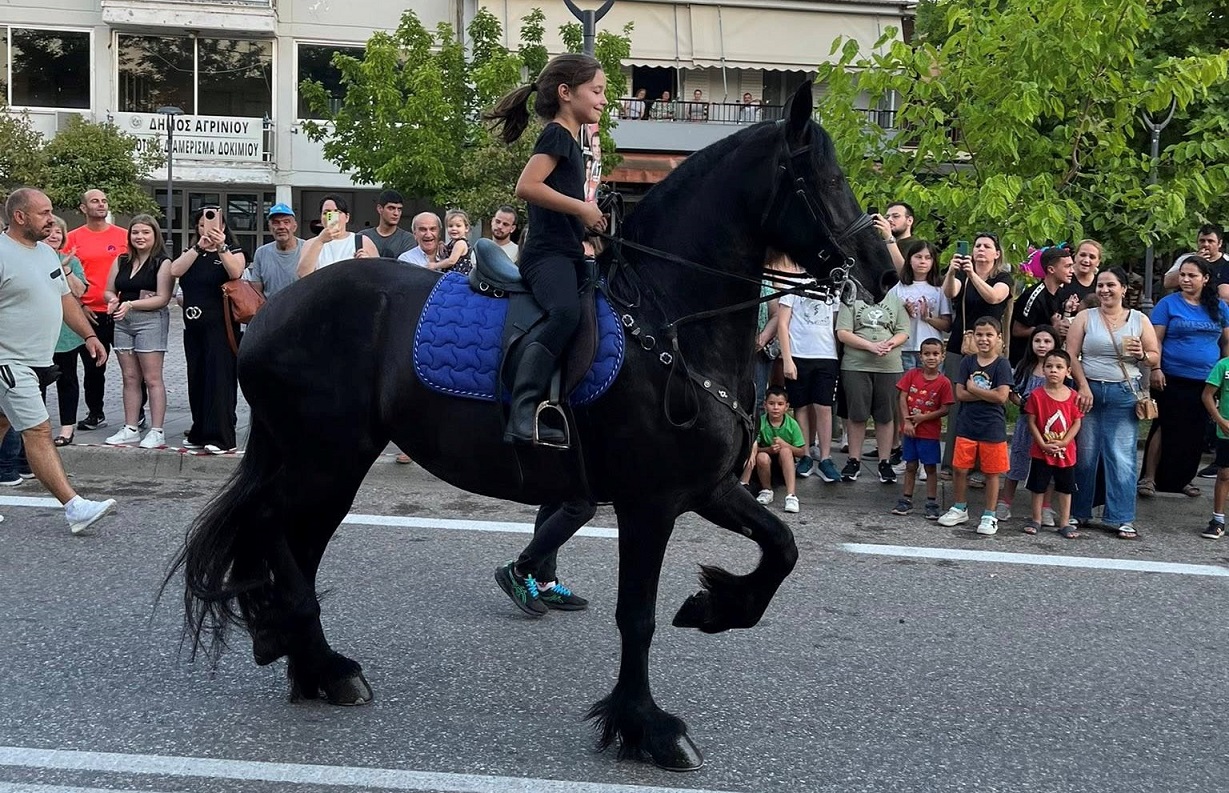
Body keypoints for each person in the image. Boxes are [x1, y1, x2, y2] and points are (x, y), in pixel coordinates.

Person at [483, 52, 607, 447]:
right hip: (546, 255)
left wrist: (590, 227)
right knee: (565, 313)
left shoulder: (572, 139)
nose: (604, 100)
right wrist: (582, 209)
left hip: (567, 251)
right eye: (597, 91)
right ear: (566, 93)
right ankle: (522, 412)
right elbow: (527, 187)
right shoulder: (557, 134)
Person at [0, 187, 116, 533]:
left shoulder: (48, 254)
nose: (51, 220)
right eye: (44, 213)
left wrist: (90, 336)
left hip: (36, 360)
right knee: (38, 429)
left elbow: (65, 299)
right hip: (9, 361)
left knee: (1, 424)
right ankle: (74, 507)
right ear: (20, 216)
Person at [1066, 267, 1160, 539]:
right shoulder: (1085, 317)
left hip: (1123, 392)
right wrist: (1083, 386)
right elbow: (1070, 354)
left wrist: (1142, 355)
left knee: (1122, 457)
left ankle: (1121, 517)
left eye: (1111, 285)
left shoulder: (1139, 319)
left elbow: (1154, 355)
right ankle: (1079, 512)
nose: (1104, 290)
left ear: (1123, 289)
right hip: (1090, 390)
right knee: (1085, 455)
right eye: (1100, 285)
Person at [1137, 256, 1229, 497]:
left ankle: (1182, 479)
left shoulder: (1219, 307)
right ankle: (1149, 477)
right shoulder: (1168, 304)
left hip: (1206, 380)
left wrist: (1224, 375)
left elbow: (1226, 342)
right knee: (1164, 426)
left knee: (1194, 431)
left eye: (1192, 275)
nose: (1185, 279)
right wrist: (1156, 369)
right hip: (1170, 376)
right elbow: (1155, 340)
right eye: (1183, 275)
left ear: (1205, 278)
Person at [170, 207, 248, 454]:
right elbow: (175, 270)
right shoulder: (192, 252)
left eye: (214, 223)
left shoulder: (233, 251)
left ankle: (222, 437)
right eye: (202, 224)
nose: (208, 228)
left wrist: (221, 246)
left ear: (223, 227)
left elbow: (235, 271)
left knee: (219, 380)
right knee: (197, 379)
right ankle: (200, 430)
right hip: (193, 327)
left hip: (221, 327)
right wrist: (198, 247)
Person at [940, 233, 1013, 473]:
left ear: (997, 253)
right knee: (957, 404)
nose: (981, 249)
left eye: (986, 246)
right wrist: (952, 272)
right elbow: (950, 293)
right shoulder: (962, 274)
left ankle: (983, 466)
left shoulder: (1002, 277)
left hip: (990, 351)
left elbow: (994, 297)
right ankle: (953, 463)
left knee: (987, 404)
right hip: (960, 346)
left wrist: (973, 275)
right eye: (977, 245)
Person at [102, 215, 174, 449]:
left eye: (145, 232)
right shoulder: (121, 260)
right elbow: (108, 290)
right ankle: (130, 427)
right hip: (122, 320)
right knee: (130, 377)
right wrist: (113, 300)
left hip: (150, 320)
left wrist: (131, 304)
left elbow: (163, 298)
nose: (140, 237)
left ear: (155, 235)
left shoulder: (162, 262)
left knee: (152, 378)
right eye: (135, 232)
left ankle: (157, 430)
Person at [937, 317, 1013, 533]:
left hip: (992, 426)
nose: (983, 339)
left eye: (989, 335)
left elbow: (1001, 397)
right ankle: (959, 507)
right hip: (967, 424)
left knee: (992, 472)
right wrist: (986, 394)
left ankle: (989, 515)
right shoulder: (967, 362)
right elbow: (960, 394)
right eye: (979, 334)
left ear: (998, 338)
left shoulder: (1002, 364)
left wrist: (974, 389)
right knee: (960, 468)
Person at [65, 188, 128, 432]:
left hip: (121, 312)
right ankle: (96, 412)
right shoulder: (72, 239)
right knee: (93, 368)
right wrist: (80, 307)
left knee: (133, 368)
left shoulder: (124, 236)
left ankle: (139, 413)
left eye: (104, 201)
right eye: (94, 201)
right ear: (83, 208)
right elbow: (63, 275)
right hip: (90, 313)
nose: (101, 205)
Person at [835, 285, 909, 484]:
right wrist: (870, 346)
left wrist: (890, 344)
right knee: (857, 414)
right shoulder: (851, 299)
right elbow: (843, 332)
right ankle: (853, 460)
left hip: (889, 367)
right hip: (856, 365)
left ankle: (884, 461)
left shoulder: (895, 300)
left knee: (885, 415)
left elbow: (903, 331)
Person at [778, 264, 840, 483]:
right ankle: (804, 454)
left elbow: (835, 324)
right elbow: (782, 323)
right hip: (798, 354)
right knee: (801, 406)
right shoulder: (792, 284)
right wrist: (787, 359)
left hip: (826, 355)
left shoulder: (833, 287)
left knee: (824, 406)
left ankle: (825, 457)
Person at [999, 325, 1060, 523]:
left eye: (1047, 341)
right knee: (1018, 460)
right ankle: (1005, 503)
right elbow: (1012, 392)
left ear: (1055, 344)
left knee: (1049, 465)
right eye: (1037, 341)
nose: (1042, 345)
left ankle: (1046, 507)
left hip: (1051, 427)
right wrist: (1023, 402)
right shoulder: (1025, 366)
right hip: (1026, 424)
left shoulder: (1058, 368)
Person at [1021, 349, 1083, 538]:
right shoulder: (1036, 395)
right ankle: (1036, 519)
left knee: (1066, 487)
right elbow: (1031, 422)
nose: (1053, 370)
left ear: (1068, 371)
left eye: (1059, 367)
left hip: (1066, 453)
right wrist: (1042, 444)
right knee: (1038, 486)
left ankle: (1064, 522)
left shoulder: (1073, 396)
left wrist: (1065, 442)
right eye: (1049, 366)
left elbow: (1077, 422)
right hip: (1041, 451)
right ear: (1043, 369)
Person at [891, 338, 953, 519]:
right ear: (920, 356)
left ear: (942, 356)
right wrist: (907, 422)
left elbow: (945, 409)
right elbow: (902, 397)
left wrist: (923, 418)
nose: (931, 358)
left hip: (929, 433)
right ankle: (906, 500)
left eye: (935, 354)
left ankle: (931, 502)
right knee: (910, 465)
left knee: (930, 467)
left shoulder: (944, 382)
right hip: (910, 431)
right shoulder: (912, 375)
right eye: (927, 354)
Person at [44, 215, 88, 446]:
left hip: (66, 332)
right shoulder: (32, 258)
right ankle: (37, 430)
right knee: (36, 384)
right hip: (39, 333)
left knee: (67, 380)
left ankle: (67, 429)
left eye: (58, 231)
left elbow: (80, 292)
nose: (53, 235)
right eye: (49, 230)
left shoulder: (72, 261)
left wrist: (65, 269)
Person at [738, 385, 805, 513]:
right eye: (771, 403)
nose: (775, 408)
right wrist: (768, 450)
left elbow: (802, 452)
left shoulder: (792, 424)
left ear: (786, 406)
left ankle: (791, 495)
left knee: (786, 452)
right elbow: (754, 448)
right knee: (761, 456)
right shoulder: (761, 422)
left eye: (780, 404)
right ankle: (766, 490)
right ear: (765, 405)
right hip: (763, 466)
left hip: (784, 466)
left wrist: (785, 445)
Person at [1011, 245, 1074, 362]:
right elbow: (1017, 330)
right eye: (1067, 266)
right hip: (1026, 361)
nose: (1072, 271)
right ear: (1051, 269)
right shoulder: (1033, 295)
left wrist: (1067, 310)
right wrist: (1051, 329)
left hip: (1048, 361)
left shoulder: (1062, 294)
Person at [296, 194, 378, 276]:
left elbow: (378, 274)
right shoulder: (311, 243)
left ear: (347, 217)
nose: (332, 217)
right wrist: (320, 241)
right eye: (326, 213)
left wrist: (368, 263)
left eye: (337, 212)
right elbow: (302, 274)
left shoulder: (363, 241)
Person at [247, 203, 304, 300]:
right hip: (271, 308)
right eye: (276, 223)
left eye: (286, 222)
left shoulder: (308, 249)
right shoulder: (261, 253)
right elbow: (256, 292)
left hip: (301, 307)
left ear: (294, 226)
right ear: (270, 228)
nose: (281, 227)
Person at [1200, 355, 1229, 538]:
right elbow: (1207, 395)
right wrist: (1220, 420)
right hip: (1227, 430)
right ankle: (1218, 520)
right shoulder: (1224, 365)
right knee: (1225, 474)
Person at [1162, 225, 1228, 294]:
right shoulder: (1185, 259)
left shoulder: (1227, 261)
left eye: (1210, 241)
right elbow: (1167, 283)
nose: (1205, 244)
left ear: (1219, 243)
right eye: (1202, 241)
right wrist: (1194, 262)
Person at [358, 189, 415, 259]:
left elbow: (406, 264)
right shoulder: (364, 236)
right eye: (391, 208)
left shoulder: (407, 239)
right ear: (380, 209)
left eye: (399, 209)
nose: (396, 213)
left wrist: (372, 260)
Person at [1058, 239, 1101, 309]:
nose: (1086, 260)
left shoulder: (1101, 283)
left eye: (1092, 257)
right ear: (1075, 256)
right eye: (1082, 255)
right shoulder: (1061, 278)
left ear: (1098, 262)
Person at [436, 209, 474, 274]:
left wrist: (435, 265)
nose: (454, 228)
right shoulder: (454, 242)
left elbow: (451, 261)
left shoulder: (460, 243)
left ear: (466, 228)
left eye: (458, 226)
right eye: (450, 226)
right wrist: (442, 244)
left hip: (459, 277)